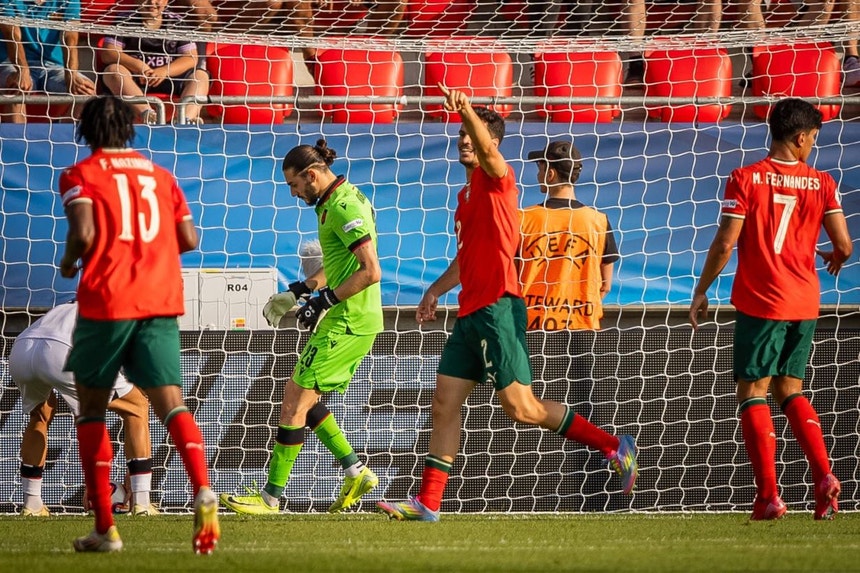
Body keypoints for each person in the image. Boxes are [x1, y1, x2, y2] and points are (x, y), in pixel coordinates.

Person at [376, 85, 638, 522]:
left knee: (522, 408)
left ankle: (614, 446)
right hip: (470, 313)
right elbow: (467, 257)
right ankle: (428, 503)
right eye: (460, 135)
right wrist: (435, 290)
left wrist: (467, 111)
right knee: (443, 404)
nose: (464, 140)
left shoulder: (499, 179)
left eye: (470, 135)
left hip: (498, 307)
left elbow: (488, 152)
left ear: (490, 142)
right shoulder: (464, 198)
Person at [58, 95, 219, 553]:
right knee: (172, 405)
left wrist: (69, 263)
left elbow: (83, 233)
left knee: (91, 411)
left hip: (108, 300)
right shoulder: (160, 176)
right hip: (160, 298)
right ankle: (202, 488)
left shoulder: (80, 174)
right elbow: (189, 238)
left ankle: (105, 528)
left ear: (87, 131)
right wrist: (150, 254)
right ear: (130, 129)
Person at [689, 98, 852, 521]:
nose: (812, 146)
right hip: (805, 302)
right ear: (800, 138)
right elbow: (844, 245)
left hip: (763, 300)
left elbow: (726, 242)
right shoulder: (823, 182)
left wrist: (702, 290)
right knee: (790, 390)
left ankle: (768, 496)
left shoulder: (745, 178)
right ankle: (824, 477)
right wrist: (834, 256)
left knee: (752, 392)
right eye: (813, 139)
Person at [219, 138, 383, 515]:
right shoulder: (332, 202)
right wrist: (301, 289)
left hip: (349, 320)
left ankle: (270, 498)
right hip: (346, 317)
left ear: (311, 175)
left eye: (294, 185)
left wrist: (326, 301)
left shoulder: (343, 206)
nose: (293, 194)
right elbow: (342, 264)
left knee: (294, 401)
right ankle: (356, 471)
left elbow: (371, 271)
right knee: (304, 400)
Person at [10, 301, 159, 517]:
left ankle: (32, 504)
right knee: (136, 406)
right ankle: (141, 501)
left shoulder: (72, 307)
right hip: (64, 349)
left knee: (40, 415)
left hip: (22, 349)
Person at [519, 139, 619, 331]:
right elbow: (605, 286)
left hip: (531, 326)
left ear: (550, 174)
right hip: (583, 327)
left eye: (540, 168)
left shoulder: (523, 218)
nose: (538, 174)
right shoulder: (599, 221)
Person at [99, 0, 210, 125]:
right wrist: (138, 66)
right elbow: (108, 53)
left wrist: (164, 71)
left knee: (200, 76)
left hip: (169, 78)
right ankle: (148, 114)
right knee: (113, 71)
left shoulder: (176, 22)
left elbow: (191, 57)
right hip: (135, 79)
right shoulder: (124, 20)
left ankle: (185, 119)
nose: (152, 2)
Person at [0, 0, 96, 123]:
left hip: (53, 66)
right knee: (17, 88)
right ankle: (16, 134)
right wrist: (22, 70)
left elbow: (70, 37)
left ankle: (62, 132)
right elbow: (12, 34)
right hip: (12, 63)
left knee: (87, 92)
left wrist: (71, 73)